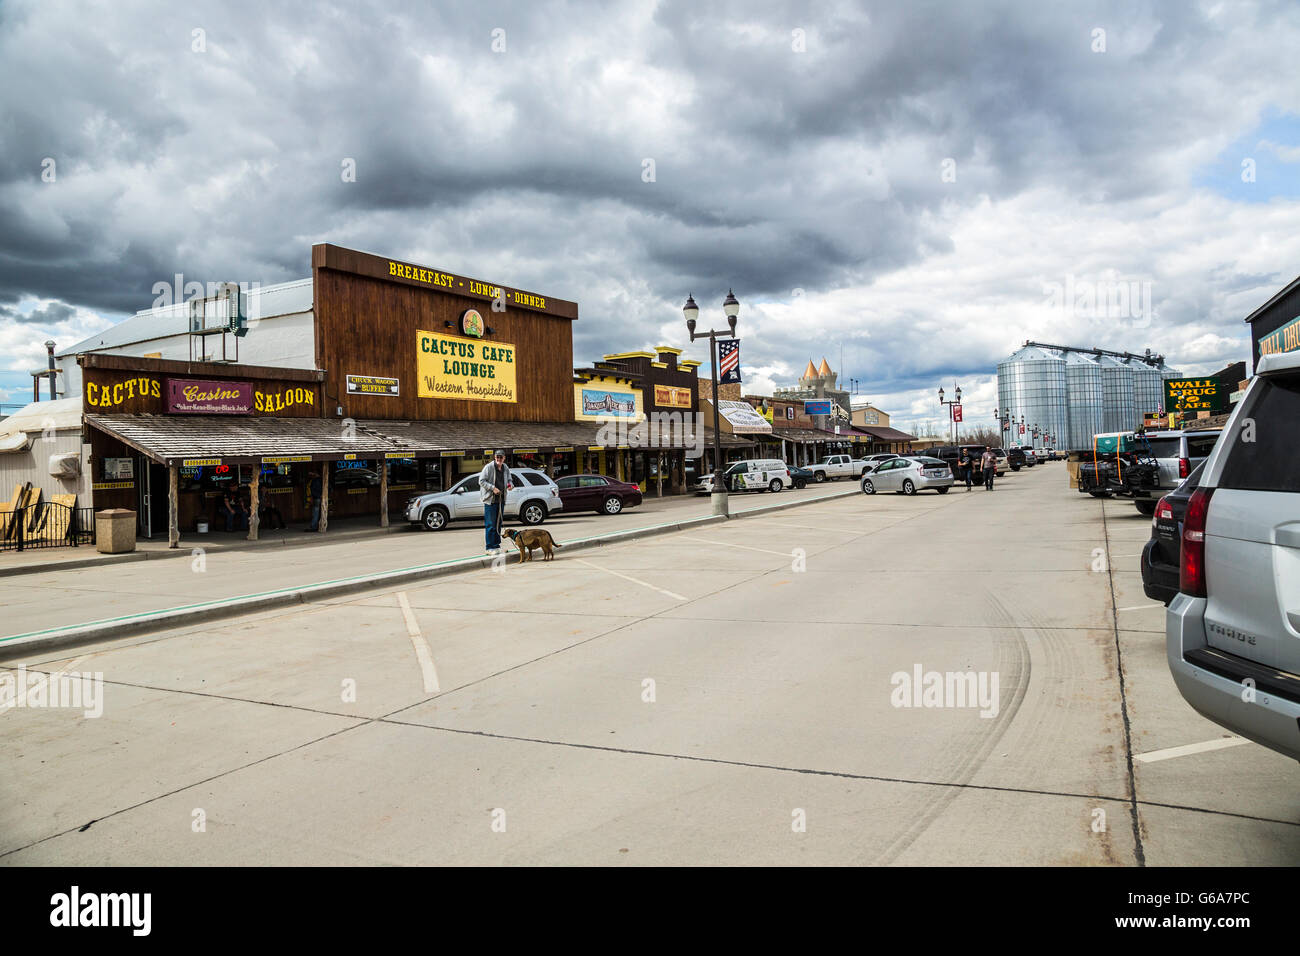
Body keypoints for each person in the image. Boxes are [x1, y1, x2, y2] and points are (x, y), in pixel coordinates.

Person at [478, 451, 512, 554]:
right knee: (490, 524)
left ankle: (497, 546)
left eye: (501, 457)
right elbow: (481, 481)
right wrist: (493, 488)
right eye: (497, 457)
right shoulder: (489, 467)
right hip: (490, 500)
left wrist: (510, 485)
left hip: (501, 499)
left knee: (498, 524)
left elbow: (510, 480)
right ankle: (489, 548)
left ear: (504, 458)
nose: (499, 459)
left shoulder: (505, 468)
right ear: (494, 457)